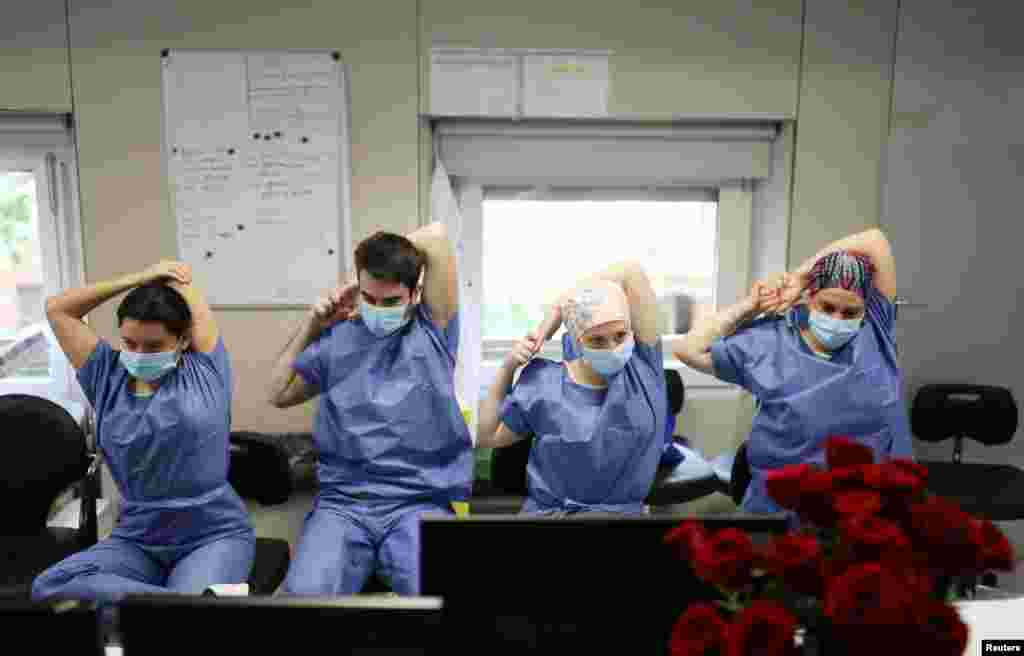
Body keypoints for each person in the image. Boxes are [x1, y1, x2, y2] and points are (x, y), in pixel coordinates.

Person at [32, 261, 255, 602]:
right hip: (137, 541)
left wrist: (172, 279)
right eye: (130, 343)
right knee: (48, 585)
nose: (138, 354)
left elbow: (186, 288)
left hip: (213, 536)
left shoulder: (207, 369)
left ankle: (177, 606)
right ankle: (182, 604)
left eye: (153, 346)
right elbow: (58, 309)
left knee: (172, 625)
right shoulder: (106, 374)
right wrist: (140, 277)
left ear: (182, 340)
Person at [268, 222, 470, 595]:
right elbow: (278, 392)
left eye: (390, 301)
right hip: (344, 505)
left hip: (417, 503)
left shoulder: (435, 330)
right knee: (301, 607)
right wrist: (314, 323)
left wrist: (373, 264)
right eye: (369, 298)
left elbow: (437, 237)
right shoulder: (338, 338)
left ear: (414, 294)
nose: (378, 309)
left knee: (452, 602)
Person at [674, 228, 913, 514]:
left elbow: (875, 241)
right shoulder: (770, 342)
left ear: (865, 310)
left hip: (864, 511)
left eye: (850, 313)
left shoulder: (875, 331)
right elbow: (689, 350)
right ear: (810, 298)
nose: (838, 319)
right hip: (780, 509)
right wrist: (748, 308)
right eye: (828, 306)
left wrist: (800, 274)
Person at [476, 261, 668, 515]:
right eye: (597, 340)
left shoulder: (644, 370)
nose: (612, 347)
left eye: (620, 336)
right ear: (578, 341)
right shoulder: (545, 383)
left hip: (623, 523)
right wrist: (508, 367)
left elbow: (631, 271)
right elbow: (487, 436)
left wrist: (555, 313)